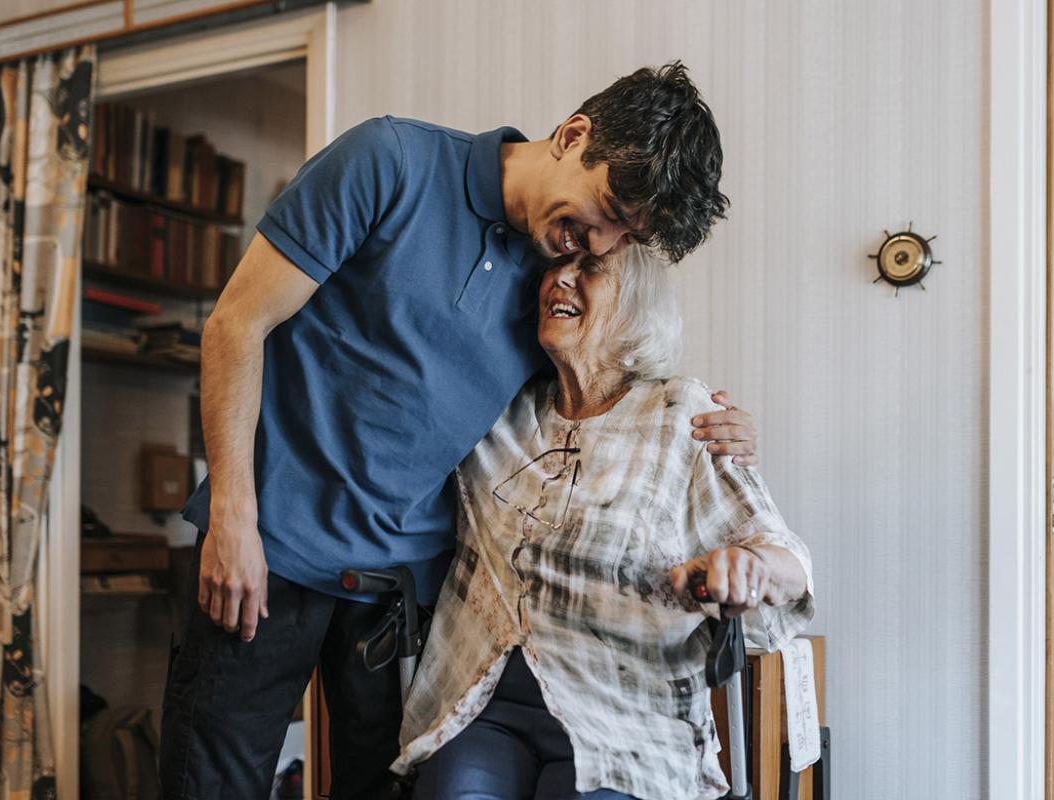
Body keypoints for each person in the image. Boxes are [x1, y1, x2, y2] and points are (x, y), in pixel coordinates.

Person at [160, 64, 754, 800]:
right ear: (572, 136)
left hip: (400, 595)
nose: (599, 244)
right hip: (268, 547)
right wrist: (232, 517)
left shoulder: (553, 283)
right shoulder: (389, 161)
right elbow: (235, 326)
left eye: (623, 235)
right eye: (606, 210)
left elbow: (593, 404)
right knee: (208, 785)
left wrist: (710, 426)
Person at [393, 245, 815, 800]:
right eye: (555, 266)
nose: (560, 278)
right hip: (482, 707)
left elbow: (787, 557)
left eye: (589, 269)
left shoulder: (680, 413)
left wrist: (750, 566)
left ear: (635, 305)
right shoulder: (495, 409)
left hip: (627, 717)